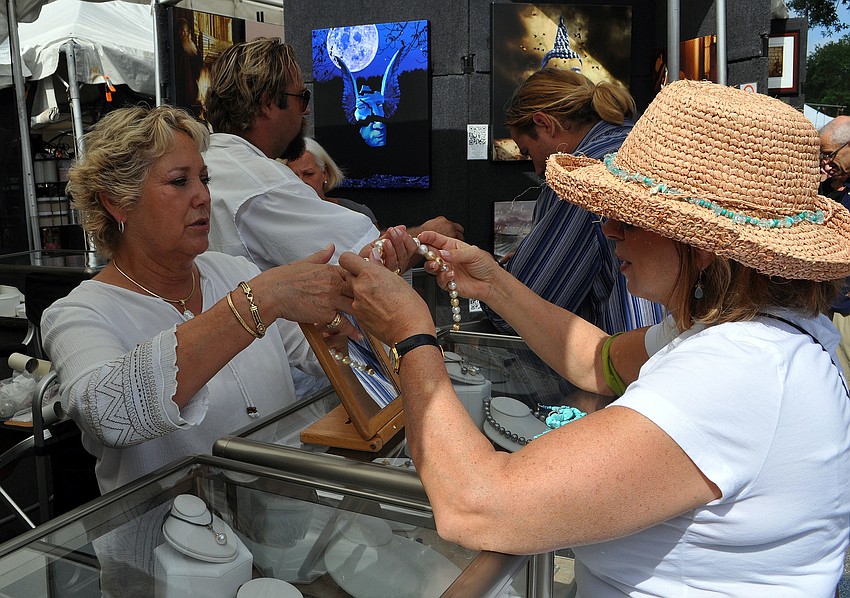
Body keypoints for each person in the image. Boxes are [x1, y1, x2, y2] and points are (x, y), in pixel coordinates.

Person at [339, 80, 850, 594]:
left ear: (702, 246)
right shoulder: (744, 331)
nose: (607, 229)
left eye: (630, 218)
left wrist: (411, 337)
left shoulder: (737, 369)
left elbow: (476, 506)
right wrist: (493, 283)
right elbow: (598, 359)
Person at [41, 105, 357, 494]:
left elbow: (319, 353)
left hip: (284, 517)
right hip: (173, 531)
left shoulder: (234, 272)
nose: (203, 196)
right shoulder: (77, 314)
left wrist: (353, 295)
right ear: (117, 202)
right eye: (179, 182)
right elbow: (108, 412)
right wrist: (260, 299)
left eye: (204, 179)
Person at [203, 37, 410, 270]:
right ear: (267, 103)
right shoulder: (264, 184)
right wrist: (426, 235)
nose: (307, 110)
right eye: (302, 98)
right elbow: (367, 256)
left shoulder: (207, 160)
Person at [485, 67, 663, 335]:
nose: (537, 169)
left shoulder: (577, 180)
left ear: (545, 124)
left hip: (631, 355)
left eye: (528, 152)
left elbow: (519, 311)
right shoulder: (653, 147)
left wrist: (500, 276)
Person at [283, 136, 465, 239]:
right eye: (292, 175)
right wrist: (426, 233)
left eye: (308, 174)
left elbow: (379, 255)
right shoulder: (279, 217)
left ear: (325, 174)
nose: (301, 182)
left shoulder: (357, 212)